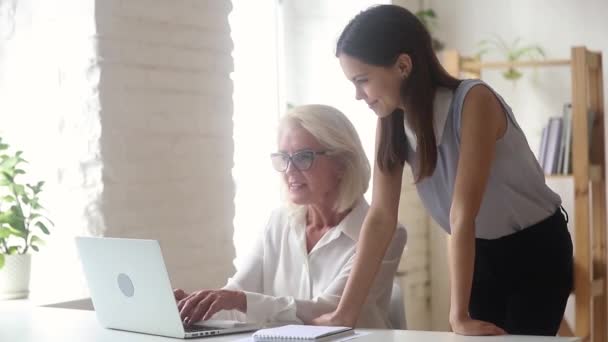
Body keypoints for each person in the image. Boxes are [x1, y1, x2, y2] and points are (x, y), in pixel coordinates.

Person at [312, 4, 573, 336]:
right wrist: (343, 313)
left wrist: (458, 316)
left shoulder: (474, 101)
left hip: (536, 249)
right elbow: (379, 218)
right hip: (481, 251)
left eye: (362, 80)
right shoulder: (389, 121)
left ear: (403, 65)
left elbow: (463, 213)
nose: (357, 95)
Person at [174, 104, 407, 328]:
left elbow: (331, 311)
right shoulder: (278, 222)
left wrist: (238, 299)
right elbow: (237, 293)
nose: (289, 170)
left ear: (342, 163)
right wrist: (195, 306)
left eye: (303, 157)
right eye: (283, 158)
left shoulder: (385, 233)